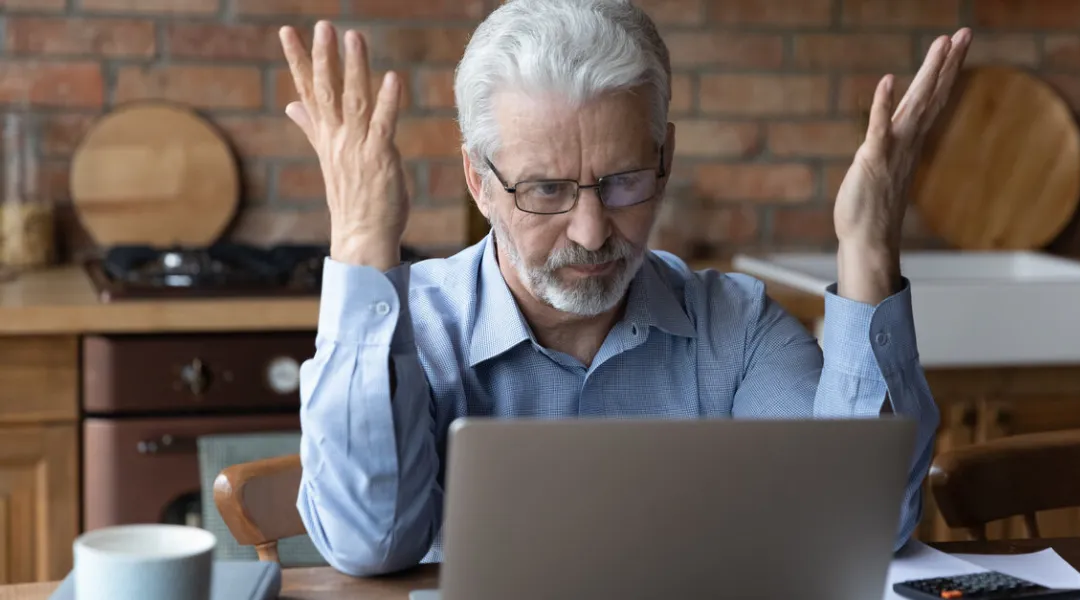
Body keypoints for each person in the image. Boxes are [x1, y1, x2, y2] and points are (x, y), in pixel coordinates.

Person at [278, 0, 972, 577]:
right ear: (478, 181)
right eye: (545, 189)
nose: (589, 231)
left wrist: (869, 246)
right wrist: (365, 244)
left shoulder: (737, 328)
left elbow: (861, 526)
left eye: (623, 182)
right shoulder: (415, 332)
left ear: (665, 158)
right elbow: (372, 545)